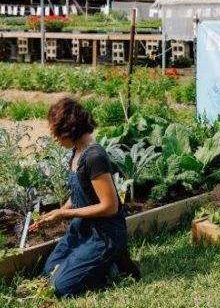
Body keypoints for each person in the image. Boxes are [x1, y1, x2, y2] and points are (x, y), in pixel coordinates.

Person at [31, 98, 141, 297]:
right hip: (82, 229)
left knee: (60, 287)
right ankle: (99, 264)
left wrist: (65, 214)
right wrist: (57, 212)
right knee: (49, 271)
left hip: (104, 234)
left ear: (71, 130)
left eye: (57, 134)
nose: (55, 139)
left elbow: (110, 206)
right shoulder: (76, 153)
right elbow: (80, 193)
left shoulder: (94, 157)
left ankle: (113, 265)